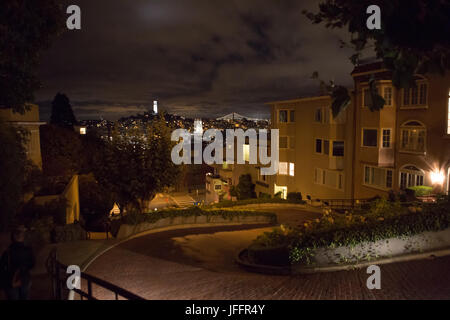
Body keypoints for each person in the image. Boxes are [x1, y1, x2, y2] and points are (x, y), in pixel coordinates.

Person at [0, 226, 35, 300]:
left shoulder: (7, 252)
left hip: (11, 281)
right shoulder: (28, 250)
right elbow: (32, 264)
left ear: (12, 238)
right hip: (24, 279)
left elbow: (2, 268)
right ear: (22, 238)